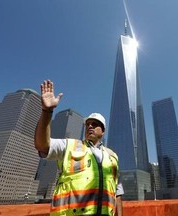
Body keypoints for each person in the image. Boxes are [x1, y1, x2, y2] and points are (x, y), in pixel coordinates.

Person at [34, 80, 124, 216]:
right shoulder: (70, 146)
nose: (90, 126)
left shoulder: (112, 156)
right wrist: (47, 111)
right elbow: (42, 145)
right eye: (88, 124)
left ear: (103, 131)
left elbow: (117, 191)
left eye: (95, 124)